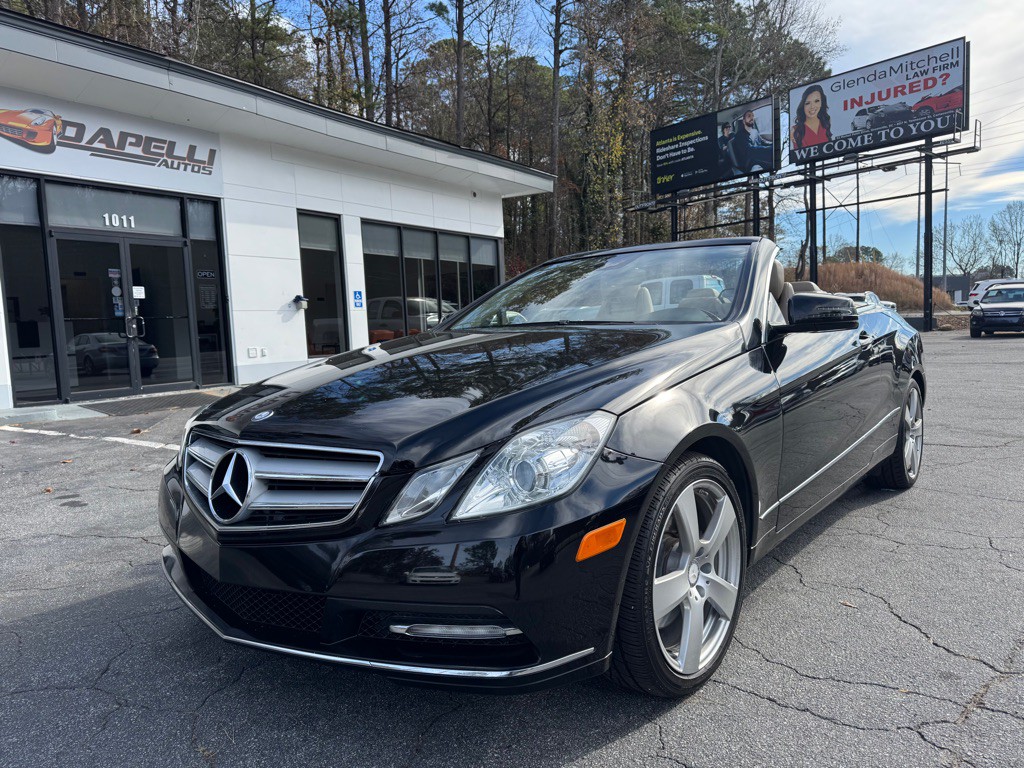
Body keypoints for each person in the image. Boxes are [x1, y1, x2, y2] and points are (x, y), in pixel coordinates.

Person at [791, 84, 831, 150]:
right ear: (803, 106)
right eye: (807, 103)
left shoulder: (826, 122)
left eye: (816, 101)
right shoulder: (795, 130)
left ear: (822, 102)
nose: (812, 106)